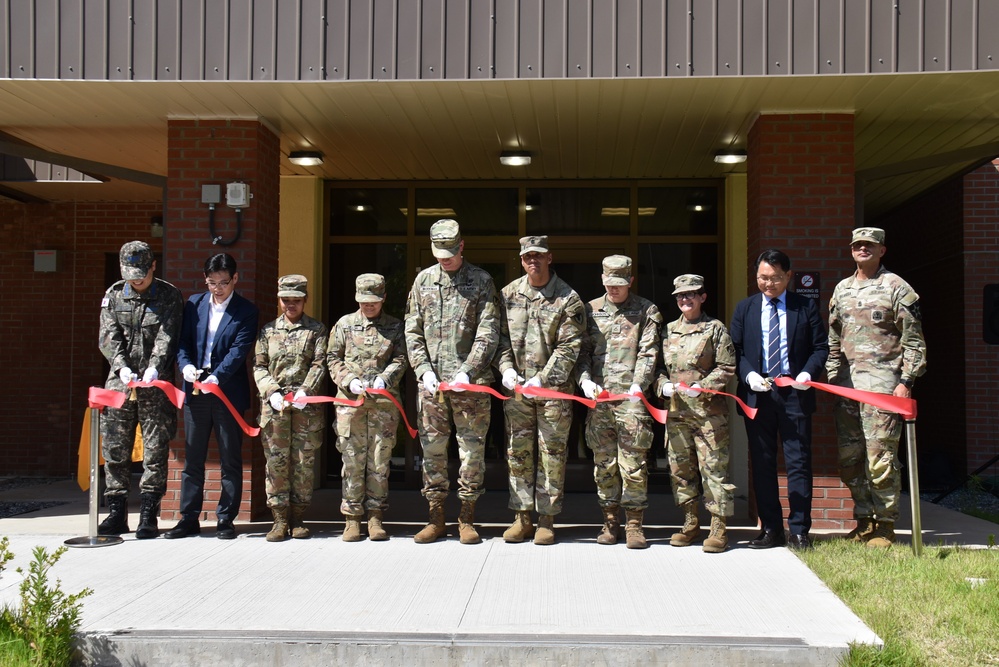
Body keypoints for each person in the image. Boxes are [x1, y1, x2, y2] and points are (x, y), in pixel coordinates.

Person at [826, 227, 927, 548]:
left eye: (869, 245)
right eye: (857, 245)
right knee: (850, 459)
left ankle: (884, 525)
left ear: (882, 250)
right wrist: (831, 377)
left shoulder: (897, 287)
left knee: (880, 458)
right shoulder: (841, 289)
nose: (862, 249)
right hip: (847, 391)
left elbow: (914, 343)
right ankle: (864, 520)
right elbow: (833, 340)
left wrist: (906, 382)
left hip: (883, 391)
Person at [404, 220, 500, 544]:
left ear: (462, 246)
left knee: (471, 453)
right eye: (438, 253)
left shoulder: (482, 281)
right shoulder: (423, 282)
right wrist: (423, 370)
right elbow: (412, 331)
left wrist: (468, 371)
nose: (443, 259)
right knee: (432, 452)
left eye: (449, 252)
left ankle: (467, 518)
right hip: (432, 388)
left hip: (469, 388)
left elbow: (489, 332)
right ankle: (435, 518)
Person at [729, 249, 829, 550]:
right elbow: (736, 351)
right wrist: (748, 376)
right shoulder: (745, 309)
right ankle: (770, 528)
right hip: (757, 396)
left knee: (798, 463)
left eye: (774, 278)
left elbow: (820, 348)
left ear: (788, 276)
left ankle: (799, 531)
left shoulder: (805, 307)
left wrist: (807, 374)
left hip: (794, 396)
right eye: (762, 278)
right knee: (762, 463)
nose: (767, 284)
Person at [496, 235, 586, 545]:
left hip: (553, 393)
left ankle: (546, 519)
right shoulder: (507, 295)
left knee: (552, 454)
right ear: (521, 260)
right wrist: (506, 369)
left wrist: (543, 380)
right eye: (527, 256)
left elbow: (570, 346)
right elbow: (500, 340)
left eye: (539, 255)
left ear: (550, 258)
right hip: (518, 392)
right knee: (518, 453)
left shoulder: (567, 298)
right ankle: (522, 517)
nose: (532, 260)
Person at [166, 253, 259, 540]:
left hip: (226, 391)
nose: (217, 288)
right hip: (195, 390)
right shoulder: (194, 304)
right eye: (211, 282)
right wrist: (187, 367)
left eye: (223, 283)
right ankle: (188, 518)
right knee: (193, 457)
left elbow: (239, 349)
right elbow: (182, 343)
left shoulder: (246, 310)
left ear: (235, 279)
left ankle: (225, 518)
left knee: (230, 458)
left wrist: (218, 375)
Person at [97, 240, 183, 538]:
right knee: (115, 449)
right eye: (131, 274)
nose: (136, 280)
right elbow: (109, 336)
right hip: (120, 385)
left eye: (141, 274)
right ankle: (116, 513)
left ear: (153, 266)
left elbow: (167, 335)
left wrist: (155, 366)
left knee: (155, 450)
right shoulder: (113, 295)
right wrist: (120, 366)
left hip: (154, 386)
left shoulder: (169, 295)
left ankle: (149, 513)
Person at [576, 255, 661, 549]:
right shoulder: (590, 310)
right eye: (610, 283)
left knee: (634, 463)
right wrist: (584, 379)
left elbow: (648, 353)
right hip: (599, 400)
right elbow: (581, 351)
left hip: (632, 400)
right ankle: (610, 521)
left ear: (631, 282)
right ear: (602, 279)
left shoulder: (646, 310)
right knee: (604, 464)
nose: (614, 289)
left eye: (620, 284)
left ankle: (635, 523)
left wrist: (640, 384)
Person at [655, 274, 736, 553]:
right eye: (680, 295)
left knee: (713, 469)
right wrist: (661, 384)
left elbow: (726, 368)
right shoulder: (667, 331)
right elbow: (657, 368)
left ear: (703, 297)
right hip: (677, 414)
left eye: (691, 294)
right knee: (681, 470)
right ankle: (690, 523)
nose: (684, 300)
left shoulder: (715, 329)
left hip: (708, 414)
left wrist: (703, 386)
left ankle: (718, 528)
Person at [328, 273, 407, 542]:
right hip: (351, 406)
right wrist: (347, 380)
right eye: (363, 301)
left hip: (383, 406)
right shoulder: (344, 324)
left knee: (379, 462)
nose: (368, 306)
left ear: (383, 298)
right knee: (351, 461)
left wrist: (387, 377)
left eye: (373, 301)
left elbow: (401, 357)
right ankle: (351, 518)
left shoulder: (395, 327)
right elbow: (332, 358)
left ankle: (375, 516)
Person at [253, 275, 328, 542]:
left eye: (296, 300)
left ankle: (298, 518)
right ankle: (279, 519)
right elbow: (259, 366)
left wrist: (306, 390)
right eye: (286, 300)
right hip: (275, 410)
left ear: (305, 300)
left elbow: (320, 364)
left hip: (305, 408)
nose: (290, 305)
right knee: (276, 463)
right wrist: (271, 391)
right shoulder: (267, 331)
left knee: (302, 463)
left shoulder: (316, 330)